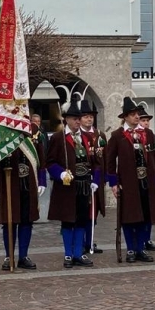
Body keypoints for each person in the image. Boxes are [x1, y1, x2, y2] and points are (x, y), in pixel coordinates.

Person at [105, 97, 155, 263]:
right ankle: (130, 248)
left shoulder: (148, 134)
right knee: (130, 217)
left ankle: (140, 248)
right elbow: (110, 162)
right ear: (125, 117)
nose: (137, 117)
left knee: (146, 216)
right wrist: (114, 183)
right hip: (128, 183)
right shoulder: (117, 135)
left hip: (147, 181)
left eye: (137, 114)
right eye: (132, 114)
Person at [46, 97, 96, 267]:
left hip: (84, 186)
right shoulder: (58, 138)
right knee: (68, 220)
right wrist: (59, 174)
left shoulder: (87, 138)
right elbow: (50, 162)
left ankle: (78, 253)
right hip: (67, 186)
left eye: (79, 118)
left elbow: (94, 161)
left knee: (82, 219)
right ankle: (68, 254)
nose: (77, 121)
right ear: (66, 119)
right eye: (74, 119)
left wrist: (95, 180)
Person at [0, 126, 44, 271]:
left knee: (27, 220)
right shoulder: (4, 128)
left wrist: (42, 181)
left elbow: (41, 159)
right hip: (11, 182)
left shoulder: (34, 130)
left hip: (29, 183)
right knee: (9, 221)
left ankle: (23, 256)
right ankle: (8, 256)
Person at [78, 98, 106, 255]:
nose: (89, 119)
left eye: (91, 116)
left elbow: (105, 156)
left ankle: (90, 241)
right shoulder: (78, 135)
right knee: (82, 211)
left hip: (96, 178)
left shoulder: (99, 135)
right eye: (86, 116)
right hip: (82, 179)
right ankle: (81, 242)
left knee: (93, 212)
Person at [138, 106, 155, 251]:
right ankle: (138, 240)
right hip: (136, 178)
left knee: (149, 210)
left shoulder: (151, 134)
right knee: (138, 211)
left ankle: (147, 238)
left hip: (150, 177)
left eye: (147, 120)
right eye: (143, 120)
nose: (146, 123)